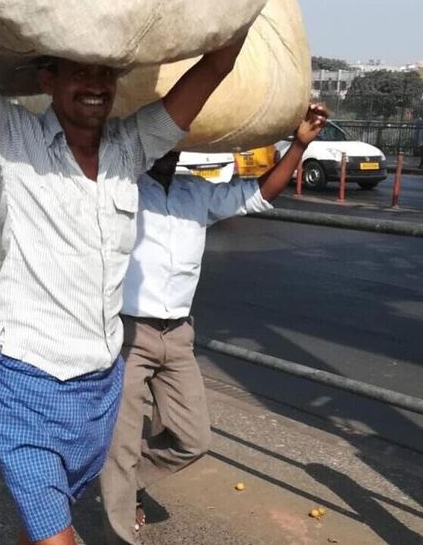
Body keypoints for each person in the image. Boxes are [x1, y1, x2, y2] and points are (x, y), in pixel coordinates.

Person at [0, 0, 250, 545]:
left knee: (48, 525)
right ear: (47, 79)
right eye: (77, 72)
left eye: (105, 74)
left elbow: (217, 67)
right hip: (24, 376)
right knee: (59, 537)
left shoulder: (134, 149)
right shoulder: (14, 141)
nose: (94, 85)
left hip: (101, 381)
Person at [99, 104, 329, 543]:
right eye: (157, 142)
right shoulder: (120, 187)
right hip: (128, 333)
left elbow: (260, 194)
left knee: (192, 438)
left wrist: (299, 143)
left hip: (178, 335)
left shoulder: (196, 193)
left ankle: (127, 482)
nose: (165, 152)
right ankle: (118, 522)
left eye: (173, 144)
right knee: (122, 443)